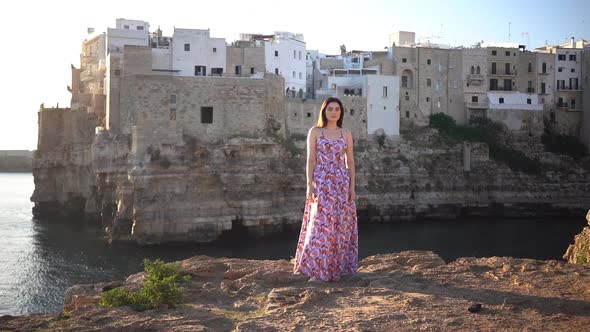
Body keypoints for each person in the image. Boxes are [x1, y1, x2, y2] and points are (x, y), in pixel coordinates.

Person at [293, 97, 358, 281]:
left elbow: (350, 161)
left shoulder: (346, 133)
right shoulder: (315, 132)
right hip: (321, 182)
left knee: (340, 227)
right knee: (320, 226)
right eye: (330, 108)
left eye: (337, 109)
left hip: (341, 183)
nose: (334, 112)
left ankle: (335, 270)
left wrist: (352, 187)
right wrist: (309, 185)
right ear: (324, 111)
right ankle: (316, 270)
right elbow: (311, 160)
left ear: (341, 112)